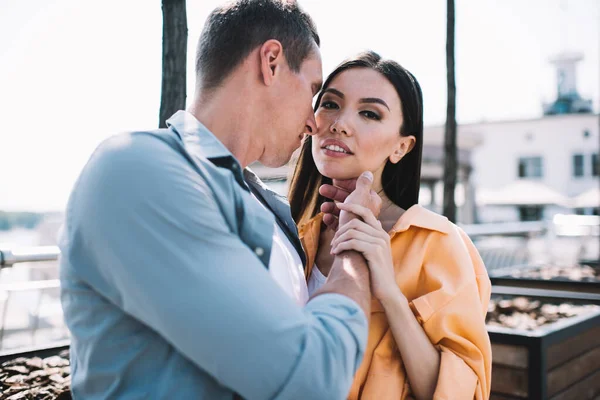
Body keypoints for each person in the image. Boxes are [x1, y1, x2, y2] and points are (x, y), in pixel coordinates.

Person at [58, 1, 380, 398]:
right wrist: (354, 252)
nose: (315, 122)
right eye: (313, 90)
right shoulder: (135, 169)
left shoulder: (267, 205)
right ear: (272, 62)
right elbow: (312, 379)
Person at [289, 51, 492, 400]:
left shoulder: (436, 242)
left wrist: (390, 294)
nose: (339, 123)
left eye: (369, 113)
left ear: (401, 146)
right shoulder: (293, 236)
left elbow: (466, 393)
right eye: (331, 104)